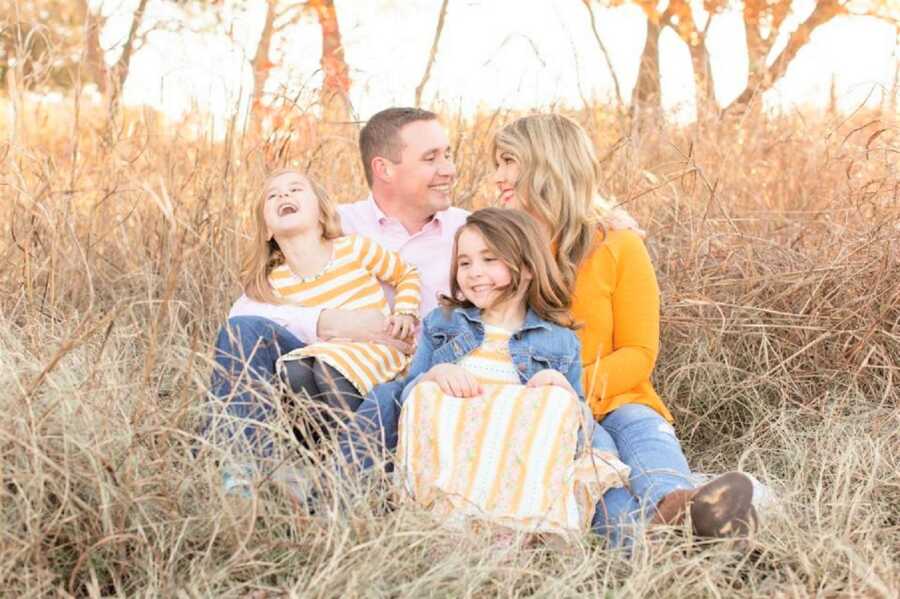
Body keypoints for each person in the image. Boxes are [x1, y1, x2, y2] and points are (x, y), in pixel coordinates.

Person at [489, 113, 757, 546]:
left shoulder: (619, 246)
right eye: (498, 163)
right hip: (547, 409)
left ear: (548, 165)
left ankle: (687, 510)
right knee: (600, 479)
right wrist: (565, 400)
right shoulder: (500, 252)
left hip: (621, 397)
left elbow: (638, 351)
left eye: (508, 161)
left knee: (645, 433)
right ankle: (653, 547)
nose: (497, 175)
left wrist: (583, 389)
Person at [206, 108, 466, 474]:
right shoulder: (332, 223)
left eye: (448, 155)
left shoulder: (469, 233)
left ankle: (326, 492)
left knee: (380, 397)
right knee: (250, 336)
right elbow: (243, 315)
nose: (449, 170)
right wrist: (332, 323)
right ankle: (242, 476)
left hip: (412, 377)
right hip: (325, 364)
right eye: (431, 158)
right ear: (384, 169)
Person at [395, 208, 630, 536]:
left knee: (558, 402)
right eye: (465, 262)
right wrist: (436, 374)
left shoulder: (559, 342)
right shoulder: (442, 323)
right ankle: (447, 516)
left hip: (512, 468)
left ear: (527, 267)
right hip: (453, 463)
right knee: (424, 391)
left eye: (489, 259)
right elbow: (407, 396)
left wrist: (558, 387)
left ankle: (516, 523)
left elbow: (578, 429)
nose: (474, 272)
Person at [206, 168, 420, 468]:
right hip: (319, 353)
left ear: (322, 214)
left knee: (325, 372)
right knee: (298, 370)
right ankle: (289, 460)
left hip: (371, 352)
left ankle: (345, 461)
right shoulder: (272, 282)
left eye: (295, 189)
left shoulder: (354, 249)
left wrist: (405, 312)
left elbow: (406, 274)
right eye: (273, 195)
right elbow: (239, 323)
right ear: (267, 229)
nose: (284, 195)